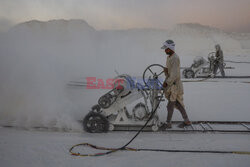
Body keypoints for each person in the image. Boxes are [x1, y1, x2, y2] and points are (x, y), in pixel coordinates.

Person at [161, 40, 191, 129]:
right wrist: (166, 72)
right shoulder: (169, 57)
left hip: (175, 85)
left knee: (170, 105)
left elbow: (174, 75)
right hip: (172, 84)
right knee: (177, 104)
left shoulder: (175, 58)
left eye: (166, 49)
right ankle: (187, 121)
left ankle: (168, 123)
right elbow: (170, 73)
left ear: (170, 48)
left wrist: (166, 82)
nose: (165, 50)